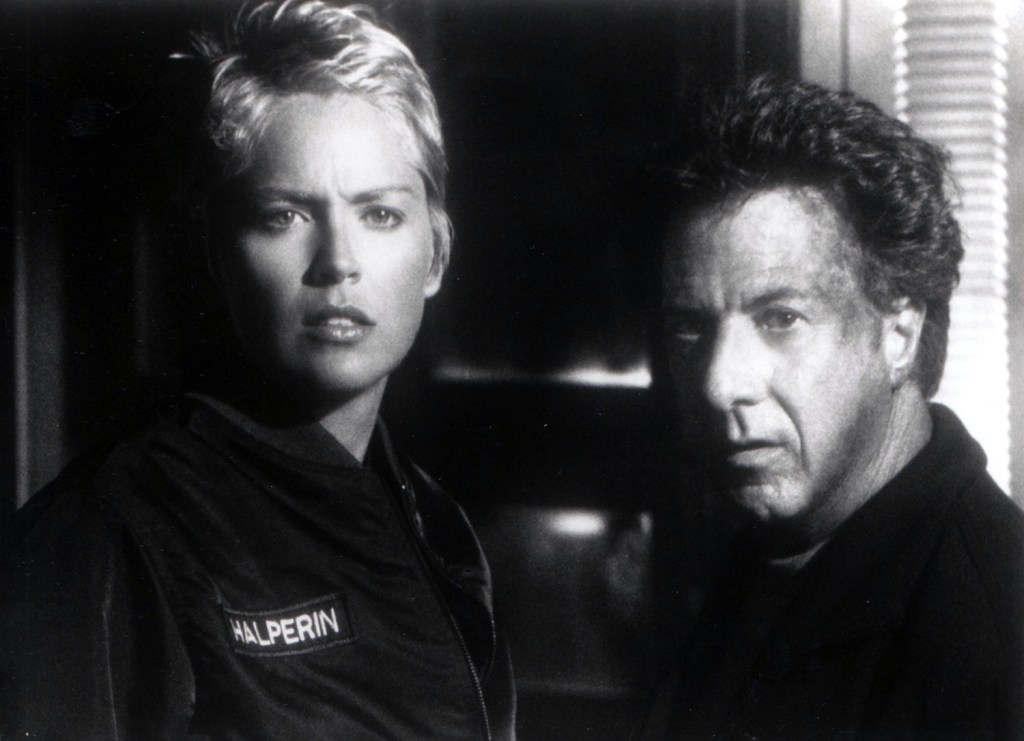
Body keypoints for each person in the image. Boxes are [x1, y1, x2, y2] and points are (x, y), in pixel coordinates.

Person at [0, 2, 515, 739]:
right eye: (285, 216)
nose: (338, 262)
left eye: (379, 214)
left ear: (436, 254)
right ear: (218, 256)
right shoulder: (110, 529)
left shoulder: (441, 531)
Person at [638, 75, 1024, 739]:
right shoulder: (765, 556)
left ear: (898, 333)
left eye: (781, 318)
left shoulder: (990, 642)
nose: (719, 385)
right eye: (690, 327)